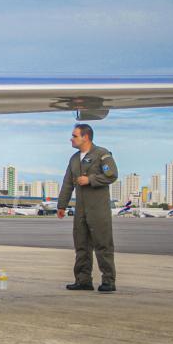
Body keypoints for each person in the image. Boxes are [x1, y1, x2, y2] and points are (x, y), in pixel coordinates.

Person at [57, 124, 118, 292]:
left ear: (86, 137)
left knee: (103, 245)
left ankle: (108, 281)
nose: (71, 139)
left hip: (98, 210)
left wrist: (90, 180)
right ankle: (83, 280)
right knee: (81, 245)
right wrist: (61, 205)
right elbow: (68, 183)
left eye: (74, 136)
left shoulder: (102, 154)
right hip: (81, 210)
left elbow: (111, 174)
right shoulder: (74, 159)